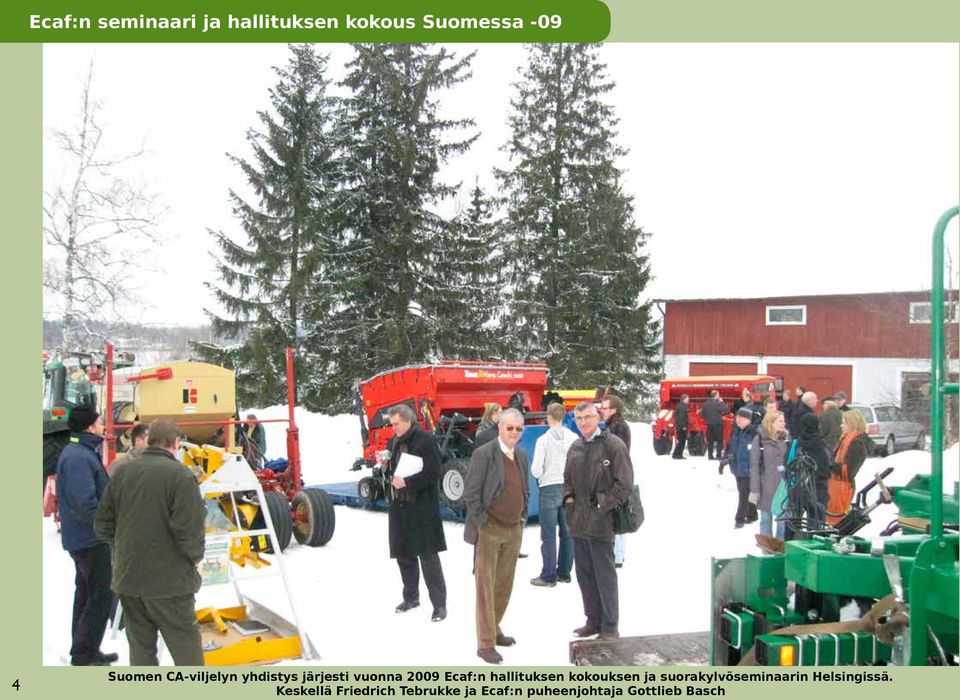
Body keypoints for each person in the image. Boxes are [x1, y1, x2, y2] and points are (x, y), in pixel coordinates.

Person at [94, 418, 206, 666]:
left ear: (148, 440)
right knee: (188, 656)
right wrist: (194, 558)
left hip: (129, 580)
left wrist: (128, 544)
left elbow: (102, 525)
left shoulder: (122, 471)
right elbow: (189, 532)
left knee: (141, 654)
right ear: (176, 443)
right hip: (171, 584)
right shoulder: (181, 477)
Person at [463, 407, 528, 664]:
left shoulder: (521, 455)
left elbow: (523, 487)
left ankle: (495, 626)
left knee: (504, 586)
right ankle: (485, 643)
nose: (513, 432)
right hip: (489, 529)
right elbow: (471, 492)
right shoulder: (484, 454)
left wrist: (521, 517)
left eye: (518, 429)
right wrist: (482, 522)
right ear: (499, 427)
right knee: (485, 588)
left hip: (514, 528)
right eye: (509, 427)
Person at [564, 402, 633, 641]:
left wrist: (601, 504)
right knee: (584, 574)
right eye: (579, 418)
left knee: (604, 575)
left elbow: (624, 484)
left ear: (598, 417)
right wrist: (569, 500)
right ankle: (592, 620)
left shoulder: (613, 445)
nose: (583, 422)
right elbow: (567, 479)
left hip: (602, 522)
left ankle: (610, 627)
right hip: (578, 522)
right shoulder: (575, 446)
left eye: (588, 417)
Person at [56, 404, 116, 666]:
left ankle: (84, 648)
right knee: (100, 595)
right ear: (90, 426)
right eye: (101, 421)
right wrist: (106, 528)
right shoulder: (79, 456)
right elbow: (85, 502)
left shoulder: (80, 452)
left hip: (84, 538)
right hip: (90, 539)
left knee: (86, 593)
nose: (104, 426)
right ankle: (84, 652)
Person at [383, 404, 447, 622]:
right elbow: (392, 473)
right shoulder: (393, 443)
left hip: (422, 507)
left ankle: (439, 605)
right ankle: (410, 597)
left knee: (428, 556)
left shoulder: (426, 440)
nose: (393, 429)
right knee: (403, 554)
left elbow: (434, 472)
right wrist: (384, 466)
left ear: (408, 421)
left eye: (396, 424)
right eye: (391, 424)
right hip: (399, 507)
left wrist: (407, 483)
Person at [529, 403, 578, 587]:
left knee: (548, 534)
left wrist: (541, 475)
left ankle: (548, 575)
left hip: (549, 488)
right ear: (564, 416)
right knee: (567, 532)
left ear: (549, 417)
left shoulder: (543, 440)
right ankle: (564, 572)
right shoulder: (573, 437)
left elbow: (535, 469)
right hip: (568, 488)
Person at [600, 395, 632, 567]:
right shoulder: (615, 425)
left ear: (614, 410)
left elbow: (614, 452)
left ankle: (617, 555)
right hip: (618, 473)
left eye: (604, 409)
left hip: (616, 475)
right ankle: (618, 553)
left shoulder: (616, 427)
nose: (601, 412)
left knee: (616, 514)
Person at [749, 410, 790, 539]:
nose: (783, 423)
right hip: (765, 485)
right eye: (780, 421)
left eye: (784, 421)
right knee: (766, 519)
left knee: (782, 521)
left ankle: (779, 549)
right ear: (771, 422)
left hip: (783, 486)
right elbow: (755, 465)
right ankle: (766, 549)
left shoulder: (787, 438)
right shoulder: (760, 439)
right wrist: (754, 490)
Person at [828, 409, 875, 523]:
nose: (841, 425)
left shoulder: (857, 443)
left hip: (842, 487)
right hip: (835, 485)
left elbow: (849, 471)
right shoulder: (846, 439)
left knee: (836, 521)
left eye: (844, 422)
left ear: (852, 423)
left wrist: (829, 465)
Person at [721, 407, 759, 529]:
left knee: (744, 493)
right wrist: (724, 460)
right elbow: (730, 447)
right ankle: (752, 514)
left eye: (741, 418)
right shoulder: (736, 431)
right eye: (737, 417)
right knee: (745, 492)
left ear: (748, 420)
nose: (738, 420)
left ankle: (739, 519)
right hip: (737, 467)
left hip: (748, 468)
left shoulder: (754, 433)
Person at [700, 390, 728, 461]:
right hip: (718, 424)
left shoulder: (706, 404)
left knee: (710, 441)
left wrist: (708, 419)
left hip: (709, 425)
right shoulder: (718, 403)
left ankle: (710, 455)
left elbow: (702, 414)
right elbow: (725, 409)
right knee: (719, 440)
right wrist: (722, 401)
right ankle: (718, 455)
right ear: (716, 396)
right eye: (718, 395)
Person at [671, 394, 689, 460]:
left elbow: (675, 416)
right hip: (681, 426)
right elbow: (681, 417)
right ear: (684, 399)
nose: (688, 400)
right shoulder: (683, 406)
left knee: (681, 441)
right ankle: (677, 455)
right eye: (687, 398)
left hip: (679, 426)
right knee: (682, 441)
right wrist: (683, 426)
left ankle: (677, 454)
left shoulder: (680, 405)